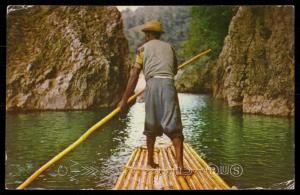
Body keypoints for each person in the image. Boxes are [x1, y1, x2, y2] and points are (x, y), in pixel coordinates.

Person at [118, 20, 192, 176]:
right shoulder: (170, 48)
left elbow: (134, 76)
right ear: (159, 35)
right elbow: (174, 70)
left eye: (146, 35)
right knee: (174, 127)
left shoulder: (142, 49)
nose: (145, 37)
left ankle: (150, 162)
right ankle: (180, 166)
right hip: (168, 86)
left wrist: (124, 100)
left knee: (150, 124)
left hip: (152, 86)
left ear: (148, 35)